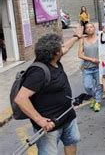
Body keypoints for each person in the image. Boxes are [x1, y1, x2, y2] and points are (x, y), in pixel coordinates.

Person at [14, 27, 83, 155]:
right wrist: (40, 120)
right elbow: (20, 98)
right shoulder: (38, 72)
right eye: (60, 47)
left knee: (71, 142)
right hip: (49, 125)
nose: (63, 48)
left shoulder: (53, 59)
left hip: (67, 116)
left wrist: (76, 37)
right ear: (55, 53)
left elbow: (66, 48)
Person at [78, 23, 102, 112]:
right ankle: (94, 97)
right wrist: (92, 59)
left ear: (94, 29)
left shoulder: (99, 38)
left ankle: (98, 102)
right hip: (87, 67)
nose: (89, 29)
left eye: (91, 27)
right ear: (85, 30)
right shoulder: (82, 40)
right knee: (87, 86)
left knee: (99, 85)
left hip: (98, 67)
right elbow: (79, 54)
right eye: (87, 28)